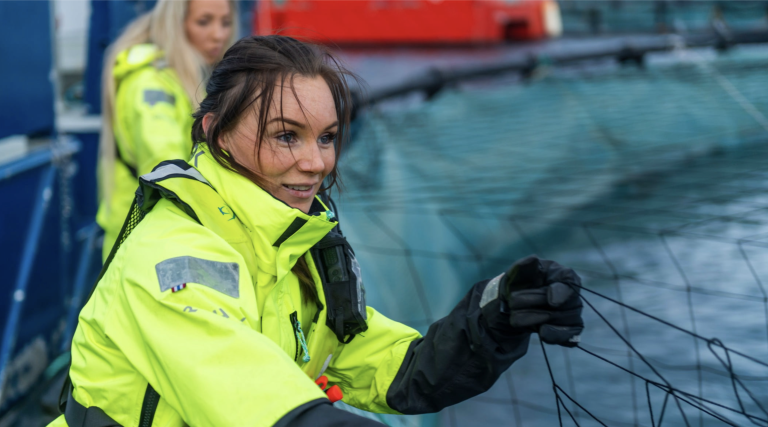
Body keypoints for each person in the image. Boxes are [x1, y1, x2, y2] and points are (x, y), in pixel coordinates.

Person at [52, 36, 584, 427]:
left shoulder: (300, 250)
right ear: (215, 133)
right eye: (286, 136)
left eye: (327, 137)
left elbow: (389, 369)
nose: (316, 163)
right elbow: (252, 397)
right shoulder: (172, 259)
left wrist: (495, 315)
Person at [96, 0, 238, 261]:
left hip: (169, 236)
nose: (219, 34)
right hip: (143, 245)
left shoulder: (188, 77)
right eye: (203, 22)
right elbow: (166, 170)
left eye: (225, 22)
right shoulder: (150, 83)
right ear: (176, 24)